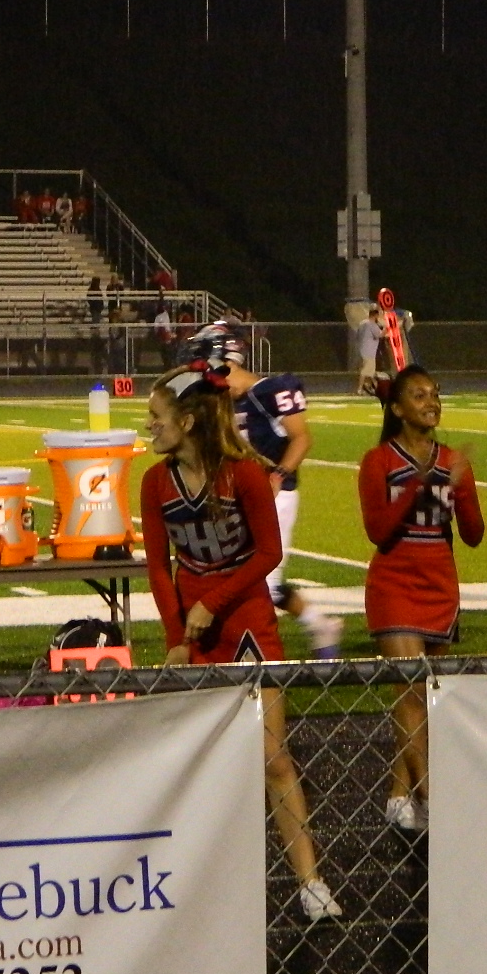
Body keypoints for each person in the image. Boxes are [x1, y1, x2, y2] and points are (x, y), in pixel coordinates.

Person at [140, 368, 341, 921]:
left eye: (156, 417)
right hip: (194, 631)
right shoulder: (155, 482)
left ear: (187, 422)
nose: (149, 427)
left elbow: (268, 553)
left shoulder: (245, 473)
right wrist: (176, 636)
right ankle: (197, 888)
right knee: (201, 761)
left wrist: (213, 601)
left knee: (273, 757)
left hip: (246, 621)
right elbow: (158, 567)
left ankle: (311, 882)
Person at [359, 366, 483, 833]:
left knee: (423, 701)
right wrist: (422, 481)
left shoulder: (451, 458)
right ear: (397, 408)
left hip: (439, 585)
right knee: (410, 692)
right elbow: (378, 531)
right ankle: (431, 797)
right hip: (394, 584)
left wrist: (461, 486)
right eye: (419, 395)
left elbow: (473, 535)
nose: (431, 402)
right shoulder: (378, 461)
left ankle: (399, 793)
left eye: (434, 394)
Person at [190, 324, 345, 658]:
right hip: (240, 498)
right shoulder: (221, 401)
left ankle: (295, 635)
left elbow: (301, 438)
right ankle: (316, 625)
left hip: (277, 495)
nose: (201, 374)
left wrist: (278, 474)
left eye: (204, 364)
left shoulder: (271, 391)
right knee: (235, 574)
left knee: (264, 582)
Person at [355, 306, 384, 394]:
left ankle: (371, 387)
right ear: (375, 315)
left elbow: (358, 335)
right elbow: (379, 335)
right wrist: (387, 329)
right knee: (365, 371)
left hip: (361, 349)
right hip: (369, 351)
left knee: (370, 372)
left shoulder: (362, 323)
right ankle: (360, 389)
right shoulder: (372, 324)